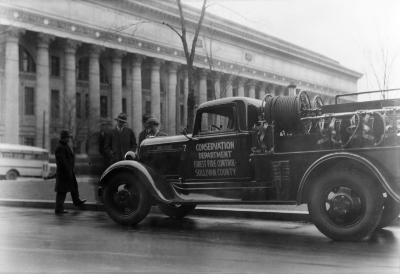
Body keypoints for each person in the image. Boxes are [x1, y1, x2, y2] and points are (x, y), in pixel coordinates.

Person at [54, 130, 86, 215]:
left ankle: (77, 202)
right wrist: (68, 171)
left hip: (68, 171)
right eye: (68, 137)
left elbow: (69, 158)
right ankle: (58, 209)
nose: (69, 139)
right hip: (64, 173)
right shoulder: (60, 147)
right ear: (64, 138)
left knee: (74, 187)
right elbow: (62, 161)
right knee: (62, 191)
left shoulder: (64, 146)